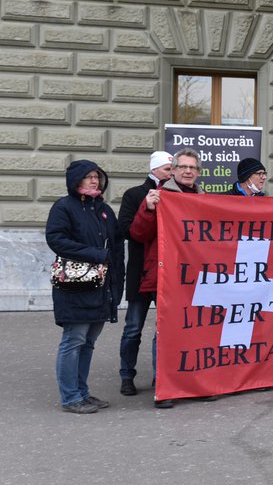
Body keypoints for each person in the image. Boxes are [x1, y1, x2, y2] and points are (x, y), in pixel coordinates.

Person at [46, 160, 125, 414]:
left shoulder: (103, 209)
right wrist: (95, 254)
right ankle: (70, 397)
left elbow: (116, 246)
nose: (94, 180)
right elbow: (56, 240)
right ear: (76, 180)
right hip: (75, 286)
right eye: (88, 176)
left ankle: (82, 392)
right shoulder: (64, 207)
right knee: (74, 340)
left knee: (88, 342)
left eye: (97, 176)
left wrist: (118, 283)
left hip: (101, 287)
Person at [128, 149, 203, 408]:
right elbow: (138, 233)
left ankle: (195, 383)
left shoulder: (204, 199)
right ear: (173, 171)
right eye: (183, 167)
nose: (188, 171)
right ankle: (164, 386)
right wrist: (148, 209)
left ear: (198, 172)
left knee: (195, 332)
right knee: (166, 332)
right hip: (167, 276)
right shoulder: (160, 196)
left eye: (192, 167)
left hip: (195, 278)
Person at [115, 150, 173, 396]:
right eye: (168, 169)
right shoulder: (134, 194)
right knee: (133, 328)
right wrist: (147, 208)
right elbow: (125, 230)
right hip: (141, 271)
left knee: (164, 329)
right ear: (155, 169)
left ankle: (160, 377)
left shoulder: (176, 195)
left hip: (166, 272)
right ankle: (127, 375)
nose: (171, 173)